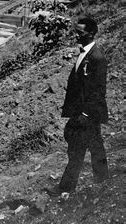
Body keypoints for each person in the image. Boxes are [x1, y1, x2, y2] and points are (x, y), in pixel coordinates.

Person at [46, 16, 109, 196]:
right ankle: (100, 182)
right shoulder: (85, 54)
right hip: (81, 112)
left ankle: (76, 186)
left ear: (90, 33)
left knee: (86, 148)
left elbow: (98, 91)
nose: (76, 36)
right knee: (84, 148)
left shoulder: (97, 58)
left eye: (79, 32)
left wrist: (86, 114)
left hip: (88, 113)